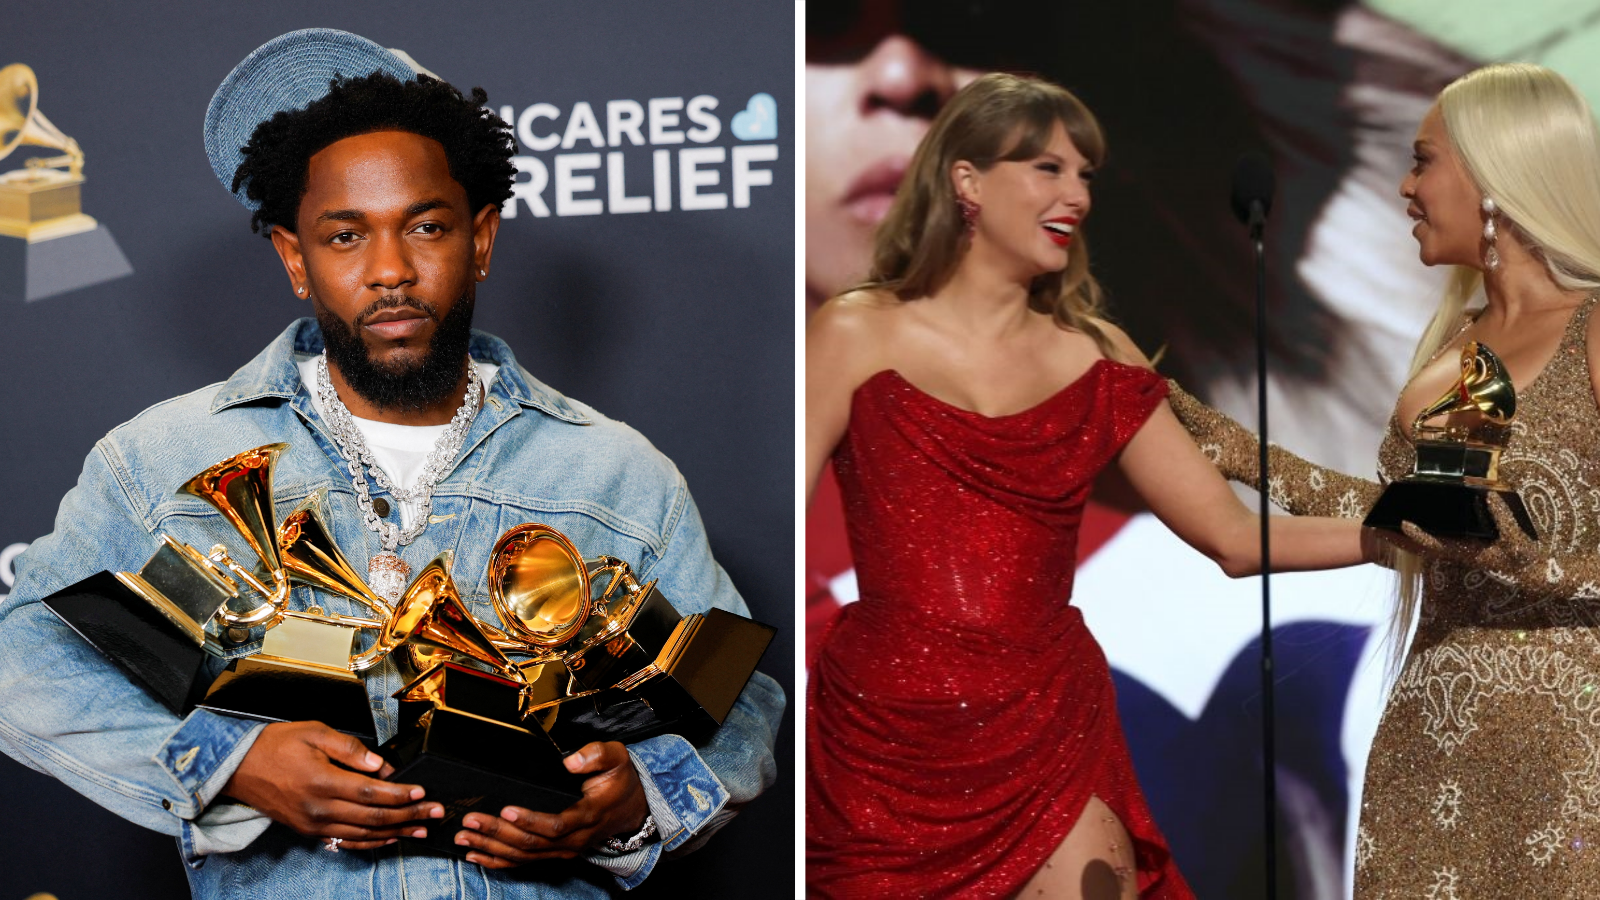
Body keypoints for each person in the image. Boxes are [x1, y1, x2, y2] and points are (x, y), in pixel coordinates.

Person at [0, 29, 783, 898]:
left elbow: (739, 695)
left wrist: (637, 799)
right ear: (295, 259)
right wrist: (230, 763)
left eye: (426, 227)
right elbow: (21, 654)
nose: (390, 271)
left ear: (480, 239)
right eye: (344, 237)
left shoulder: (616, 473)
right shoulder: (160, 459)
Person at [805, 71, 1378, 900]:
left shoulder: (1096, 355)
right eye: (1047, 168)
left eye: (1085, 175)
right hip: (885, 736)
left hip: (1047, 729)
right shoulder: (857, 329)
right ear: (966, 180)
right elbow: (776, 520)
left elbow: (1230, 537)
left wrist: (1392, 533)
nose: (1075, 193)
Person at [1171, 61, 1600, 896]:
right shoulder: (1458, 346)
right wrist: (1200, 431)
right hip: (1432, 739)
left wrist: (1221, 440)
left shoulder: (1593, 328)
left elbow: (1456, 521)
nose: (1405, 186)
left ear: (1492, 171)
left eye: (1423, 160)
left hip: (1576, 743)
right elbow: (1419, 520)